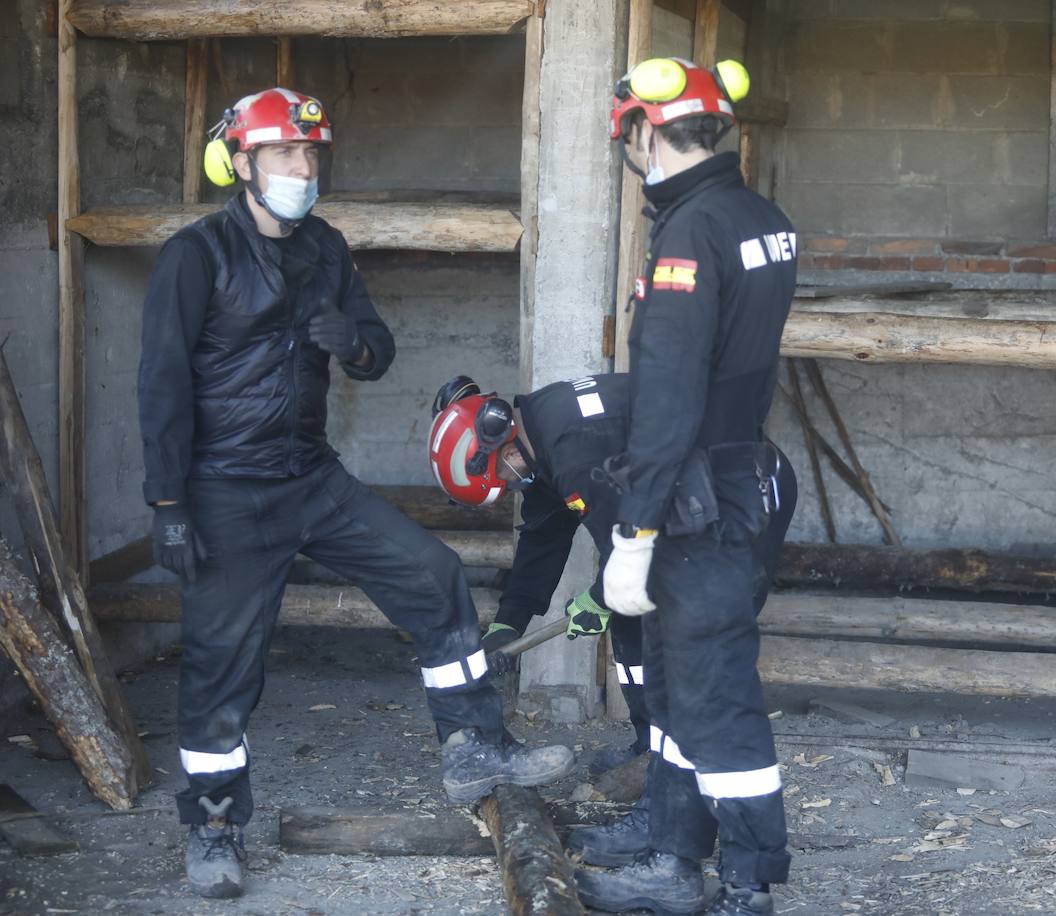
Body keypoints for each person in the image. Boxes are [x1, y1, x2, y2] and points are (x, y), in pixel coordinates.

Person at [136, 88, 572, 901]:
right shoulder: (194, 257)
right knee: (221, 671)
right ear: (242, 163)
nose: (303, 169)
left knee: (433, 575)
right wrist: (167, 504)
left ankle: (474, 744)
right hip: (226, 488)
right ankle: (215, 828)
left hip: (310, 475)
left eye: (312, 155)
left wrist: (355, 343)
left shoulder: (325, 247)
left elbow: (378, 350)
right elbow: (160, 383)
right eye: (285, 155)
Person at [573, 58, 800, 916]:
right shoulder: (758, 214)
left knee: (714, 695)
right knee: (672, 681)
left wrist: (635, 531)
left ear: (642, 132)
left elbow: (668, 397)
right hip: (741, 472)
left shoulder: (689, 233)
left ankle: (742, 880)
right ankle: (669, 838)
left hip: (700, 496)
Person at [428, 372, 796, 870]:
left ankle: (668, 817)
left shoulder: (577, 447)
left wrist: (599, 597)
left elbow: (639, 552)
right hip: (691, 500)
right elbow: (545, 532)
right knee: (634, 623)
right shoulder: (536, 430)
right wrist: (509, 624)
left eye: (506, 478)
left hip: (743, 493)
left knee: (686, 653)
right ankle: (653, 750)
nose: (513, 484)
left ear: (501, 439)